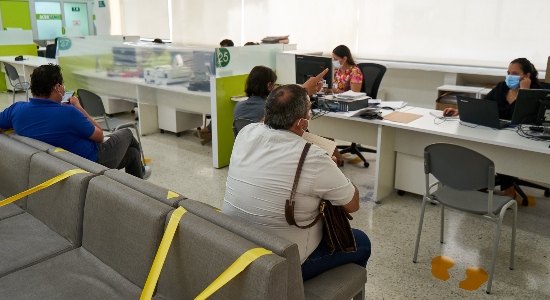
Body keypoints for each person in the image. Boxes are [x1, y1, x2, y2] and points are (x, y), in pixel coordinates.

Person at [222, 79, 371, 281]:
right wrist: (332, 169)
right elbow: (352, 204)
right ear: (302, 122)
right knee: (362, 242)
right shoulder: (314, 157)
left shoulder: (246, 133)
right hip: (283, 263)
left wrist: (298, 92)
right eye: (308, 111)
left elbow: (270, 117)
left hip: (239, 246)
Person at [0, 64, 151, 179]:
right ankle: (142, 172)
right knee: (128, 133)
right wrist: (79, 107)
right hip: (93, 161)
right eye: (63, 84)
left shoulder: (17, 109)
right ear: (57, 88)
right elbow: (99, 135)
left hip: (63, 164)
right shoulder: (69, 112)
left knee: (132, 154)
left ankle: (137, 182)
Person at [443, 57, 541, 199]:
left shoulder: (534, 92)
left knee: (503, 149)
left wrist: (524, 92)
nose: (510, 76)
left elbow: (523, 117)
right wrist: (460, 111)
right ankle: (485, 181)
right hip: (498, 131)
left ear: (527, 76)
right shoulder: (502, 87)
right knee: (481, 145)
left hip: (521, 136)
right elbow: (482, 105)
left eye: (515, 73)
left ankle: (508, 188)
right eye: (508, 72)